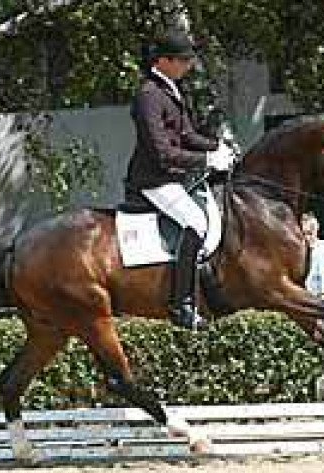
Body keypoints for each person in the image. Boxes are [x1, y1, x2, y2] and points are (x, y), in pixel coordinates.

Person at [124, 28, 234, 330]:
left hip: (173, 177)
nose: (188, 66)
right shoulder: (148, 96)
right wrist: (207, 160)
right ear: (163, 61)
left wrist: (218, 146)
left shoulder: (169, 90)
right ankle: (182, 304)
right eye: (183, 60)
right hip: (153, 181)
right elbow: (163, 152)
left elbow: (186, 134)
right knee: (195, 223)